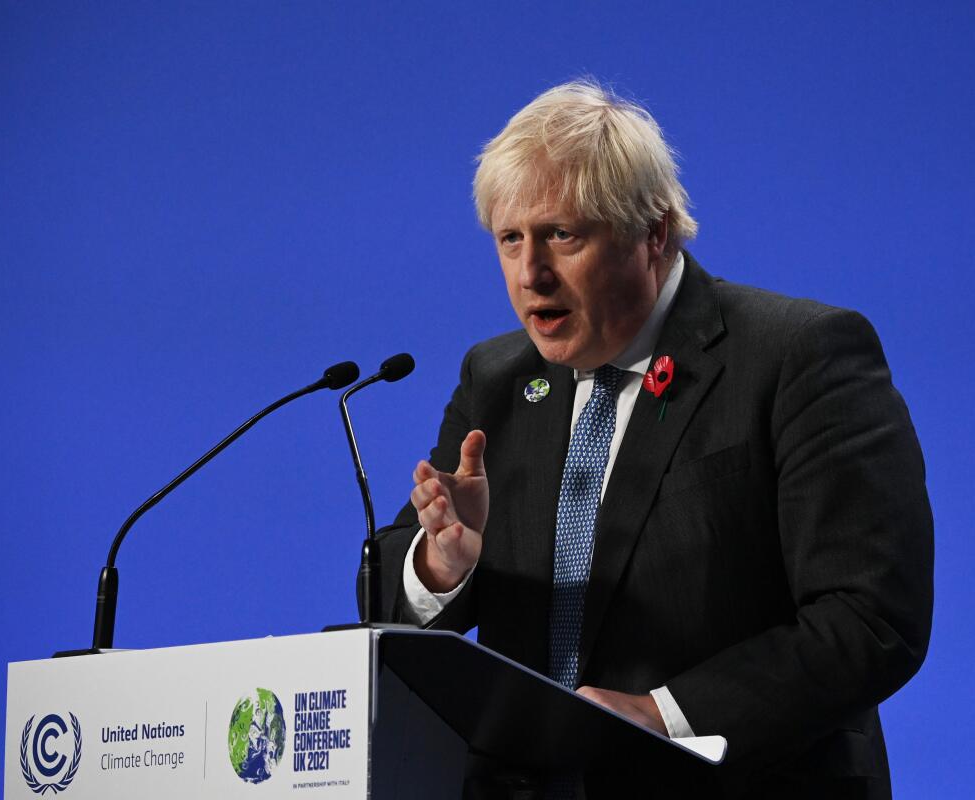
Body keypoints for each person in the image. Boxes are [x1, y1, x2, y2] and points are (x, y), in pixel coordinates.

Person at [374, 80, 933, 798]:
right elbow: (389, 610)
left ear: (654, 232)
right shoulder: (499, 380)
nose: (529, 273)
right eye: (509, 239)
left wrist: (666, 715)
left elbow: (871, 617)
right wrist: (443, 568)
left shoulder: (798, 356)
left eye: (562, 235)